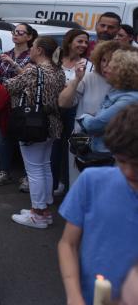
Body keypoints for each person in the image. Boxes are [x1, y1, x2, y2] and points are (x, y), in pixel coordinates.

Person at [58, 103, 138, 305]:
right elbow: (68, 244)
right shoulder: (92, 182)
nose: (129, 171)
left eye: (136, 164)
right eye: (122, 160)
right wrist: (74, 296)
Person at [4, 37, 66, 229]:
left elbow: (10, 86)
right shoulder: (58, 70)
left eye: (33, 47)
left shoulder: (34, 70)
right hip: (52, 123)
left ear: (39, 50)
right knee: (44, 166)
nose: (30, 49)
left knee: (34, 170)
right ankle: (44, 211)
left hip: (32, 124)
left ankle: (38, 213)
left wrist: (15, 72)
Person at [0, 23, 36, 187]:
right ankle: (4, 171)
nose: (16, 34)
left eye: (20, 32)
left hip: (24, 104)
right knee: (3, 138)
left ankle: (28, 175)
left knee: (25, 139)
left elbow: (30, 81)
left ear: (29, 37)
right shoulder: (4, 55)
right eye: (14, 32)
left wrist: (13, 67)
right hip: (4, 104)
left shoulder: (33, 56)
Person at [52, 29, 93, 196]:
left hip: (74, 111)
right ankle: (54, 184)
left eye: (86, 42)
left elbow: (86, 87)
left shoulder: (88, 64)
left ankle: (68, 184)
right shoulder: (56, 60)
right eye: (80, 41)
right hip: (54, 110)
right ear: (69, 42)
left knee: (70, 150)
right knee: (53, 149)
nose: (83, 45)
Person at [76, 49, 138, 152]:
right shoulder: (117, 90)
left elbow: (94, 125)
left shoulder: (129, 98)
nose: (106, 69)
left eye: (111, 67)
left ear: (123, 72)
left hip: (110, 155)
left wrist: (84, 117)